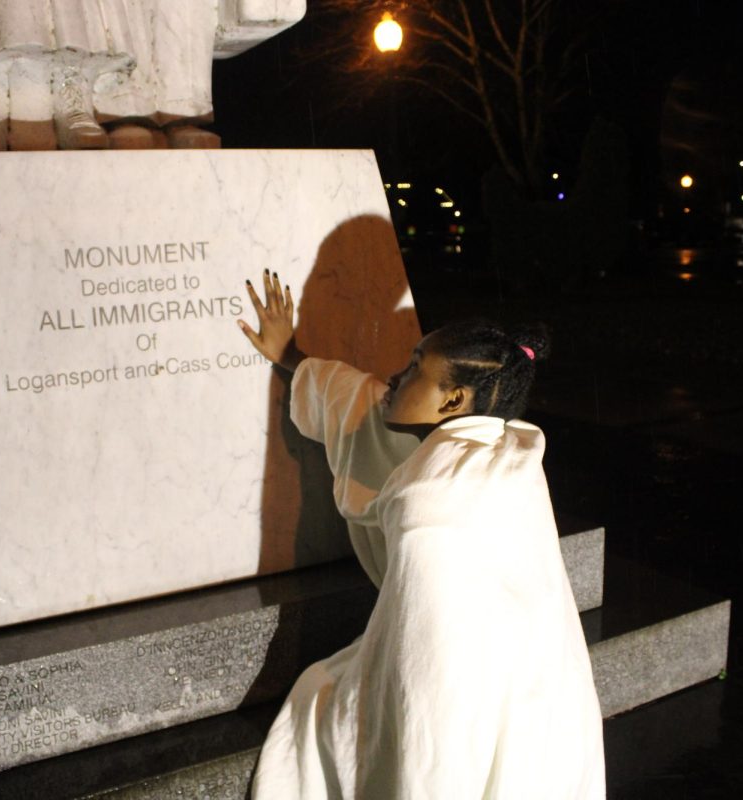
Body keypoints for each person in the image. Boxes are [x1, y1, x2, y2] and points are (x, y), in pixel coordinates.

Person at [238, 270, 605, 799]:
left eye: (414, 369)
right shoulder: (505, 450)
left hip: (468, 705)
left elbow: (429, 671)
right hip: (547, 693)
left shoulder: (429, 502)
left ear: (453, 400)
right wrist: (290, 354)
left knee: (317, 701)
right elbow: (357, 398)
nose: (391, 376)